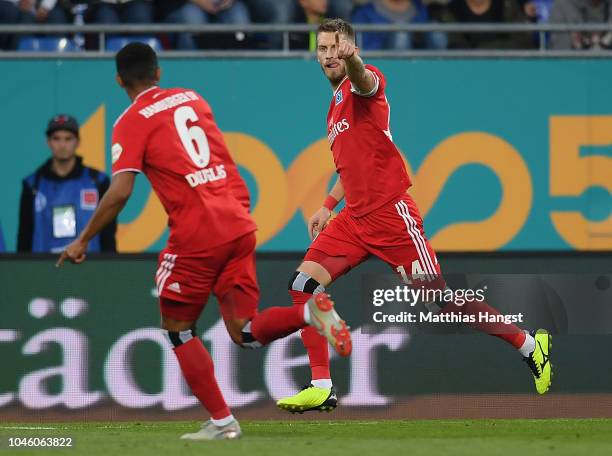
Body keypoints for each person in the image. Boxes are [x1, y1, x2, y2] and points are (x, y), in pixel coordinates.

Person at [56, 43, 351, 440]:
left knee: (178, 329)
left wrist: (83, 240)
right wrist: (238, 214)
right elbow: (224, 160)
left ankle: (223, 422)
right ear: (158, 73)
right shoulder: (192, 98)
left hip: (197, 233)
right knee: (244, 332)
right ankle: (308, 316)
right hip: (237, 221)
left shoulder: (130, 120)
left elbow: (121, 191)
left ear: (119, 80)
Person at [276, 18, 552, 414]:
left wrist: (354, 60)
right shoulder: (334, 105)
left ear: (351, 49)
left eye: (336, 48)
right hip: (354, 220)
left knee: (441, 298)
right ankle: (321, 385)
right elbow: (353, 166)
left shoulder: (363, 83)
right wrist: (327, 205)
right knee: (303, 285)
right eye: (322, 49)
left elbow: (364, 78)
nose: (328, 56)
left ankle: (528, 343)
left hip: (392, 216)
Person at [18, 115, 116, 253]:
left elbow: (108, 234)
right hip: (42, 269)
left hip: (91, 266)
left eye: (68, 139)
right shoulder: (32, 185)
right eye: (56, 139)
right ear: (48, 142)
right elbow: (24, 236)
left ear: (78, 142)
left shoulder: (98, 182)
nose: (62, 145)